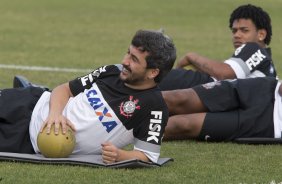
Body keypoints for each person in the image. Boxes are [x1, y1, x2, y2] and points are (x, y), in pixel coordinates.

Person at [0, 29, 176, 164]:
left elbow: (148, 155)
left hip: (28, 139)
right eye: (127, 53)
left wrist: (120, 155)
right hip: (31, 101)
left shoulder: (153, 106)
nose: (125, 61)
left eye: (134, 59)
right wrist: (55, 114)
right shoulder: (111, 71)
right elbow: (64, 89)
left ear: (153, 72)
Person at [159, 4, 277, 91]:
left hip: (198, 87)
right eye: (234, 31)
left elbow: (224, 74)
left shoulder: (254, 49)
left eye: (244, 30)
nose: (237, 35)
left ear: (261, 34)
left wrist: (192, 57)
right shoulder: (267, 65)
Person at [162, 77, 281, 141]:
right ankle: (142, 105)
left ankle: (143, 135)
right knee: (179, 98)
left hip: (270, 122)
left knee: (183, 124)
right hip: (265, 88)